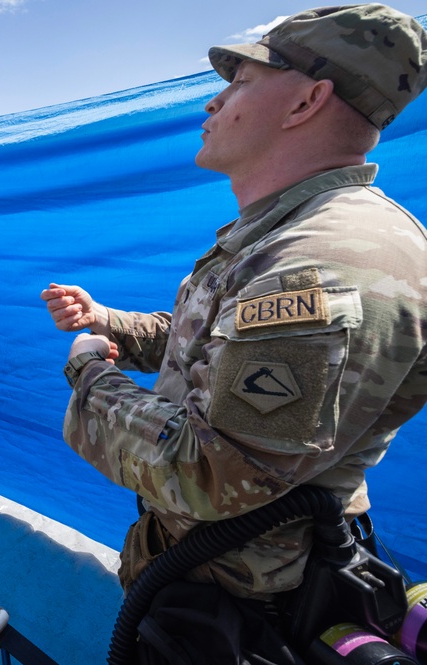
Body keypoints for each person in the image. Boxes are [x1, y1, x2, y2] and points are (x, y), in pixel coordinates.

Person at [42, 3, 427, 653]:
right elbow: (212, 343)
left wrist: (90, 372)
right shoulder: (290, 232)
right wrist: (106, 322)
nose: (213, 103)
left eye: (241, 81)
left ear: (306, 100)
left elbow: (209, 474)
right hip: (212, 583)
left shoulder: (320, 263)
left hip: (242, 610)